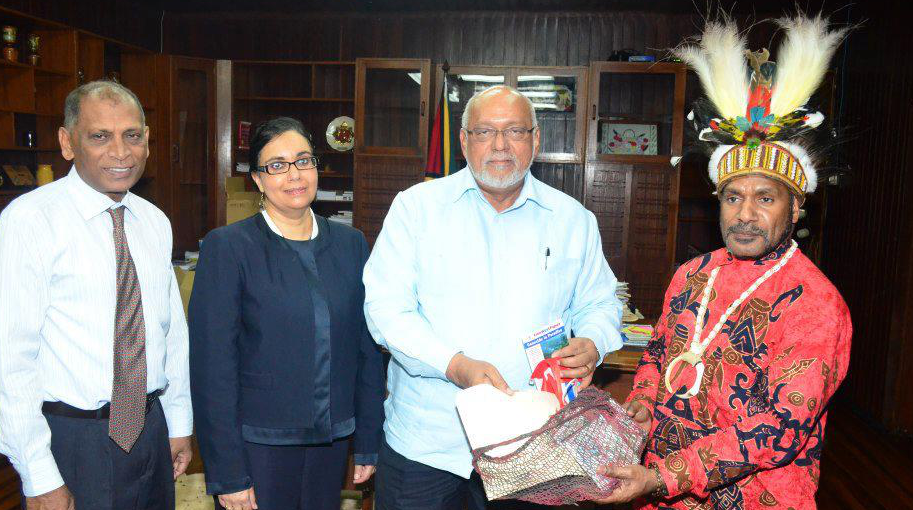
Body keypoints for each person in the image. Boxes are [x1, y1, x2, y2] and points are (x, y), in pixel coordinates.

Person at [595, 14, 852, 510]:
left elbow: (779, 429)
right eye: (733, 197)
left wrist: (661, 476)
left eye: (766, 199)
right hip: (662, 491)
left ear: (796, 207)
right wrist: (644, 403)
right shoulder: (692, 274)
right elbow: (656, 354)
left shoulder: (817, 304)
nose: (746, 215)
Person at [363, 85, 623, 509]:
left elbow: (600, 302)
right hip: (428, 444)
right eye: (485, 132)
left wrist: (592, 342)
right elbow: (386, 310)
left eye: (515, 131)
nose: (500, 146)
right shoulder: (416, 209)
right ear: (464, 141)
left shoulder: (573, 220)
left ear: (536, 140)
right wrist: (455, 365)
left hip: (533, 447)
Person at [0, 80, 193, 510]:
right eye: (100, 136)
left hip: (151, 432)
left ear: (147, 142)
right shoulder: (28, 223)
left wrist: (178, 423)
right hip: (73, 441)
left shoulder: (153, 221)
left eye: (132, 135)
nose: (120, 152)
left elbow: (170, 334)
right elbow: (12, 360)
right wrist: (38, 475)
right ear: (67, 142)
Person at [188, 117, 385, 510]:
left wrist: (367, 440)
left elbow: (366, 350)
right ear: (258, 180)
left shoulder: (351, 245)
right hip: (258, 443)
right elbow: (213, 368)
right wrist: (227, 470)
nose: (293, 175)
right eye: (276, 165)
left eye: (303, 161)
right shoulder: (228, 247)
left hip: (332, 439)